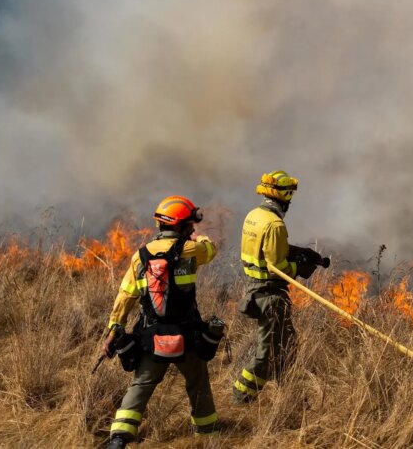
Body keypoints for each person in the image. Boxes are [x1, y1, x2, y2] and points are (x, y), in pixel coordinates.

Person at [104, 196, 220, 449]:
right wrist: (201, 238)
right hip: (186, 335)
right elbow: (211, 250)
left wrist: (114, 329)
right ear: (180, 226)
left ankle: (119, 437)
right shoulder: (192, 250)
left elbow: (126, 295)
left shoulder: (140, 256)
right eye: (189, 224)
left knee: (141, 383)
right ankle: (207, 430)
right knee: (197, 379)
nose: (192, 228)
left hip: (151, 335)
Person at [233, 170, 321, 403]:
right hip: (270, 293)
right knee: (267, 351)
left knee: (287, 342)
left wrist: (298, 251)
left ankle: (288, 393)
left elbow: (264, 248)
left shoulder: (254, 215)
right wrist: (299, 268)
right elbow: (276, 266)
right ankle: (241, 396)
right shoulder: (275, 224)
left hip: (255, 287)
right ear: (285, 196)